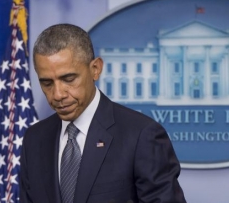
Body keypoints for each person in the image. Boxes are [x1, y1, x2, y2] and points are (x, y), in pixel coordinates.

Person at [19, 24, 186, 203]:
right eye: (47, 83)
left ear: (95, 69)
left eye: (68, 79)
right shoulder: (34, 139)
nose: (58, 94)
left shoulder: (141, 135)